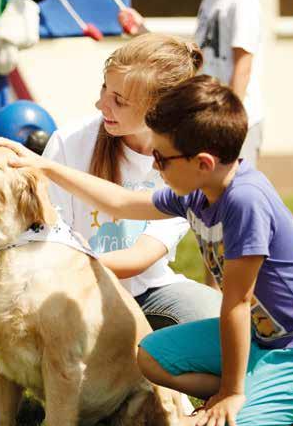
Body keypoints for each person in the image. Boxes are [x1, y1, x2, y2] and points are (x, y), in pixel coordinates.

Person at [0, 75, 293, 426]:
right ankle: (282, 404)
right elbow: (123, 203)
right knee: (151, 356)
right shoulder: (198, 190)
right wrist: (44, 167)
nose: (154, 165)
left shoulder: (244, 202)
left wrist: (230, 393)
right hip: (268, 340)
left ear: (203, 161)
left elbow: (236, 305)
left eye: (161, 157)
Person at [43, 34, 221, 330]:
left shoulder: (187, 164)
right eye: (104, 88)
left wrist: (74, 262)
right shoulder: (69, 141)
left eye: (119, 101)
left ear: (159, 109)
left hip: (148, 295)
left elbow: (140, 257)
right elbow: (49, 235)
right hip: (70, 291)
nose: (100, 104)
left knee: (214, 319)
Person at [195, 0, 263, 167]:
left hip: (234, 119)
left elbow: (243, 65)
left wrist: (230, 119)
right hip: (209, 114)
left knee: (236, 188)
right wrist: (143, 30)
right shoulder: (209, 0)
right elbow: (201, 55)